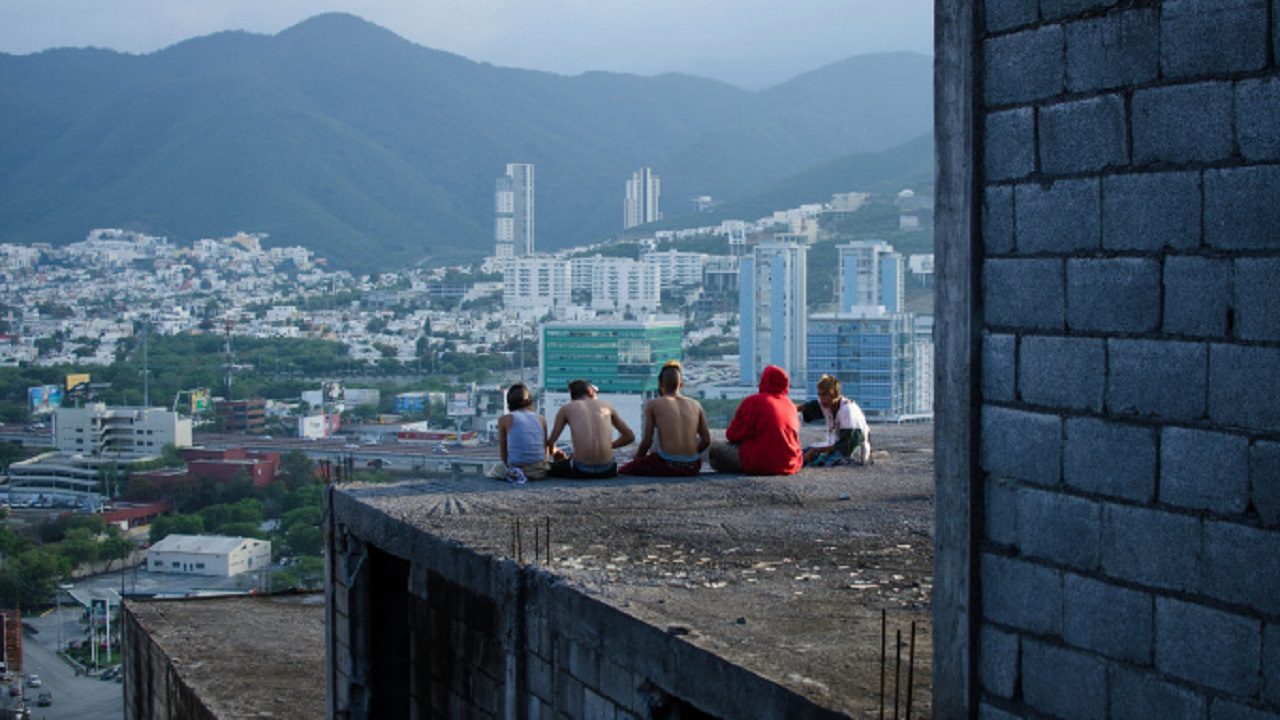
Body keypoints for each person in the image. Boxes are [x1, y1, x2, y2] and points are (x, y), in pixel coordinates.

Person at [619, 360, 711, 476]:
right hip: (693, 466)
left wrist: (637, 460)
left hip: (667, 464)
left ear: (660, 384)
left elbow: (647, 441)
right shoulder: (696, 404)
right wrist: (691, 456)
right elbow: (706, 440)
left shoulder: (653, 404)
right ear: (681, 384)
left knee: (623, 470)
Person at [708, 365, 803, 475]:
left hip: (759, 461)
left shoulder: (755, 401)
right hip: (790, 463)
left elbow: (732, 435)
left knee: (714, 449)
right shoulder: (790, 405)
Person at [546, 379, 635, 479]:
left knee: (550, 467)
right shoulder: (607, 406)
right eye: (596, 392)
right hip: (608, 469)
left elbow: (551, 442)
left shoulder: (566, 409)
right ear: (590, 391)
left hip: (581, 470)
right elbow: (629, 436)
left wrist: (556, 453)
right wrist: (608, 446)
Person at [797, 374, 871, 467]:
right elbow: (805, 408)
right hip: (834, 446)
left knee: (817, 462)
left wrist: (816, 451)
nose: (821, 398)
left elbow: (845, 447)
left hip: (851, 452)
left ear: (836, 394)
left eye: (825, 394)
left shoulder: (847, 410)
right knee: (800, 455)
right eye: (819, 394)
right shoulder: (827, 404)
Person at [487, 383, 551, 482]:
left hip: (518, 469)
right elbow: (545, 452)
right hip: (540, 470)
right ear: (529, 401)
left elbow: (503, 456)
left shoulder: (504, 419)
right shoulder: (541, 419)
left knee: (496, 469)